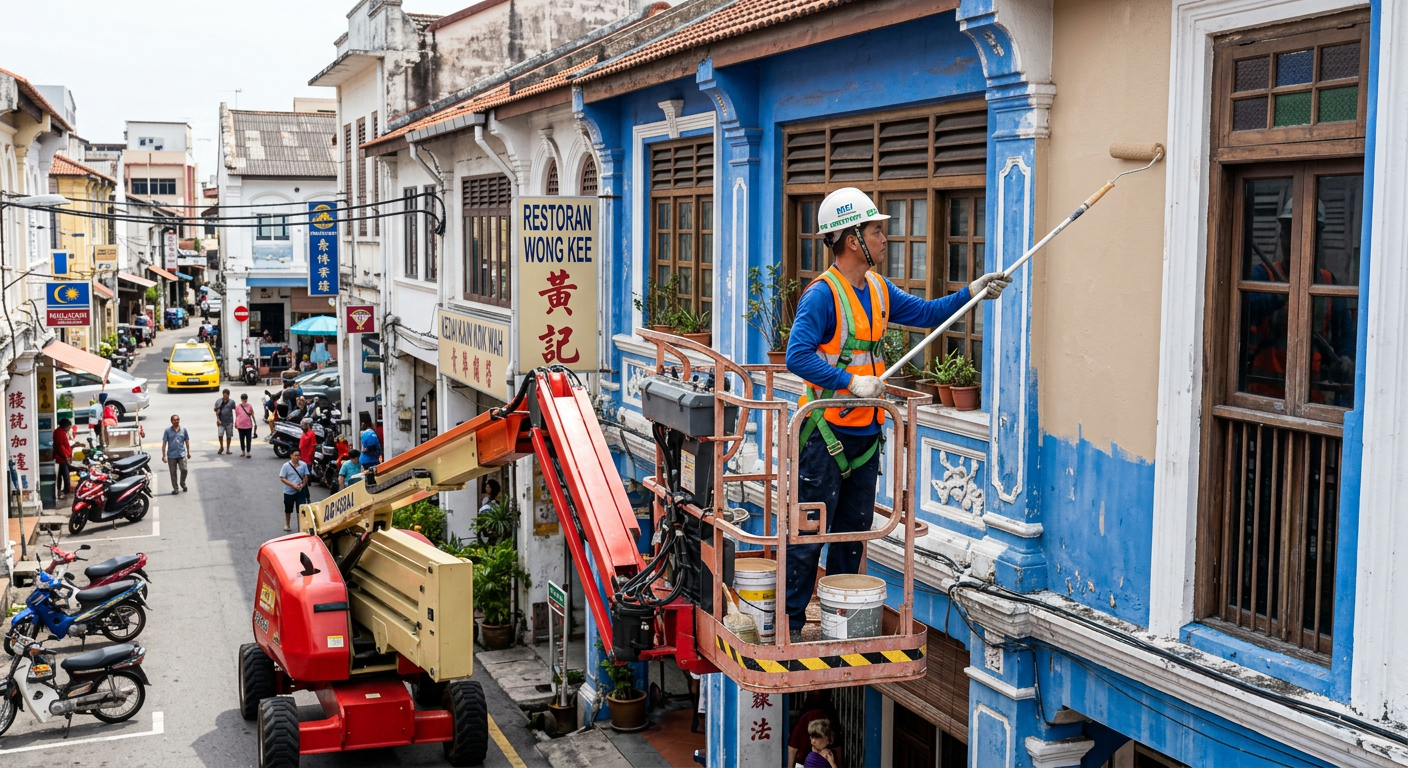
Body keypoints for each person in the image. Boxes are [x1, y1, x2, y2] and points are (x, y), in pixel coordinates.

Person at [784, 187, 1010, 641]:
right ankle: (789, 624)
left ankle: (839, 622)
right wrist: (849, 382)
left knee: (853, 535)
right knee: (810, 537)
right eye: (876, 230)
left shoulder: (879, 289)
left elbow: (928, 313)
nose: (885, 238)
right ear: (852, 239)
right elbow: (796, 355)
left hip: (866, 435)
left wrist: (973, 292)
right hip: (824, 435)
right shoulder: (822, 296)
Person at [788, 691, 841, 768]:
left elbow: (837, 745)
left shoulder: (829, 715)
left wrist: (832, 762)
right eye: (812, 737)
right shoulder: (804, 719)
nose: (813, 741)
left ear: (828, 739)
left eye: (817, 737)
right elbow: (793, 747)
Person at [161, 414, 191, 494]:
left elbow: (187, 441)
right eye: (174, 420)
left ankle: (182, 483)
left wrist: (188, 452)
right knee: (173, 473)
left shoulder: (183, 430)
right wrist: (164, 456)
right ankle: (175, 488)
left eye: (177, 420)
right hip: (171, 455)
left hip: (181, 454)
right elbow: (164, 443)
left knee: (184, 470)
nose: (176, 421)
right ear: (171, 421)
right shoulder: (167, 431)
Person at [279, 453, 310, 531]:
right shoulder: (286, 466)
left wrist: (302, 485)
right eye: (295, 455)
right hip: (289, 491)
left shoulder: (303, 465)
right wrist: (293, 485)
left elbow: (306, 476)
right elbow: (282, 478)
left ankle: (301, 527)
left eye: (298, 455)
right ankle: (287, 524)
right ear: (291, 455)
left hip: (300, 491)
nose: (297, 457)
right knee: (288, 509)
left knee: (300, 509)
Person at [53, 418, 73, 498]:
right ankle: (66, 491)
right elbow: (60, 446)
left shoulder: (59, 431)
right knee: (65, 475)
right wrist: (65, 457)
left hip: (61, 457)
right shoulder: (60, 433)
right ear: (66, 426)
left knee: (61, 476)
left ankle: (61, 491)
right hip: (61, 458)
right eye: (69, 427)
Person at [214, 389, 236, 455]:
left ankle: (228, 449)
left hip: (229, 421)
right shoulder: (218, 402)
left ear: (228, 395)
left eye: (226, 395)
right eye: (224, 395)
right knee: (220, 435)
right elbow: (216, 410)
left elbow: (235, 409)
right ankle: (221, 447)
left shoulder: (232, 402)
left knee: (229, 436)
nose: (224, 397)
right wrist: (217, 418)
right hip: (221, 421)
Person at [235, 393, 257, 458]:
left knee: (248, 439)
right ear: (241, 399)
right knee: (241, 439)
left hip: (248, 425)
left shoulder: (249, 406)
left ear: (247, 399)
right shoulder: (238, 407)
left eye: (245, 399)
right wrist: (236, 423)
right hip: (240, 425)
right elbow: (237, 416)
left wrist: (255, 422)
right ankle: (242, 451)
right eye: (243, 399)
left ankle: (248, 452)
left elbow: (252, 414)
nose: (244, 401)